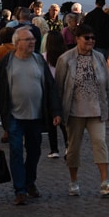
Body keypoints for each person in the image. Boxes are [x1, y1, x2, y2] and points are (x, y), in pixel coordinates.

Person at [0, 26, 63, 205]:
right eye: (28, 40)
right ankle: (20, 189)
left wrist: (56, 111)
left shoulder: (38, 60)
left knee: (35, 151)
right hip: (14, 115)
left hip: (36, 116)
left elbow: (51, 88)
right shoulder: (7, 62)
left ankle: (30, 182)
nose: (32, 42)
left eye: (33, 39)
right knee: (15, 151)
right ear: (17, 43)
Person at [55, 24, 109, 197]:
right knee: (73, 148)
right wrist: (57, 112)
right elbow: (59, 87)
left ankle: (105, 182)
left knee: (100, 143)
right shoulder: (66, 59)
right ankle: (73, 181)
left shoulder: (98, 57)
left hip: (96, 110)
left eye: (93, 38)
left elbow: (106, 87)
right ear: (77, 39)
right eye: (87, 38)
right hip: (74, 111)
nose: (91, 41)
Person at [43, 28, 70, 157]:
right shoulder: (67, 56)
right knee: (64, 122)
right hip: (64, 90)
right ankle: (68, 146)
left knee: (50, 122)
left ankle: (54, 149)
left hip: (49, 92)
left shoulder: (44, 57)